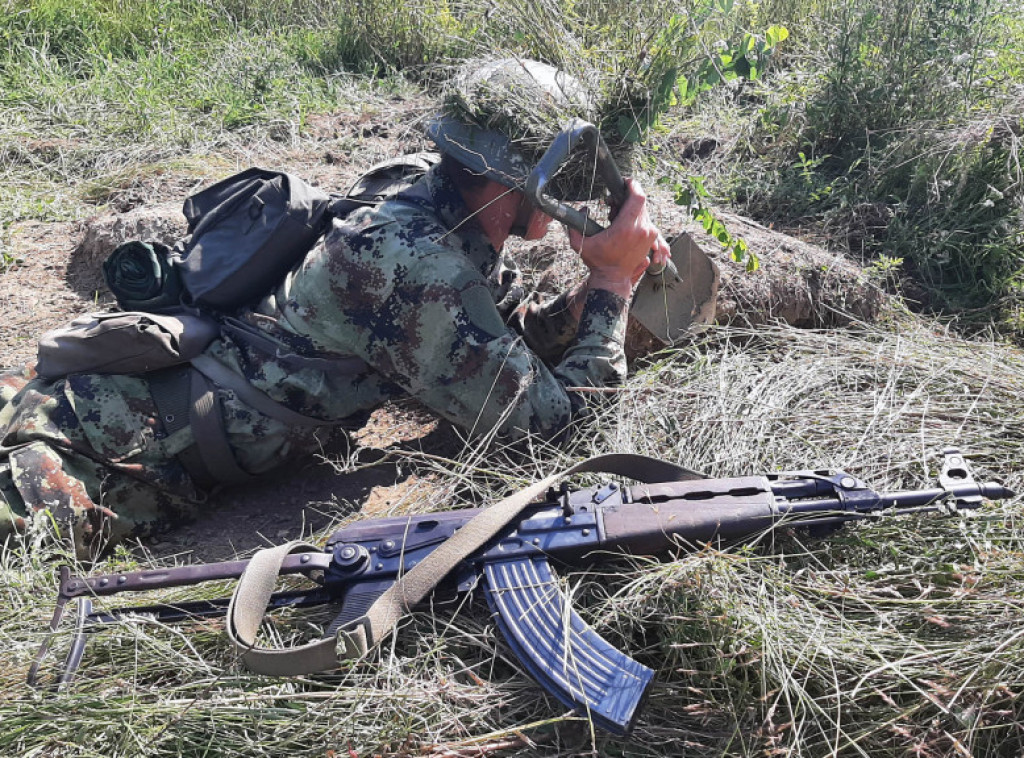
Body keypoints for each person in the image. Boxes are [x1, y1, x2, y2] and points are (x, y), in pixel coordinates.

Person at [0, 58, 670, 557]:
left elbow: (502, 340)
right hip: (97, 452)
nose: (569, 198)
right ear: (506, 181)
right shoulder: (413, 270)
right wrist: (611, 284)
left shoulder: (427, 197)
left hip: (125, 400)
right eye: (556, 183)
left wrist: (598, 286)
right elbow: (563, 436)